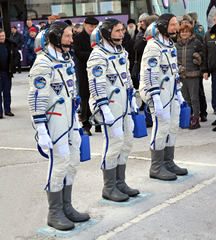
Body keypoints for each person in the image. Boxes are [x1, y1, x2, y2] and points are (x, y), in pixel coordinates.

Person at [28, 21, 90, 230]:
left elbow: (72, 93)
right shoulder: (43, 63)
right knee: (60, 162)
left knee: (73, 161)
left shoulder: (65, 60)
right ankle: (54, 212)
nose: (71, 40)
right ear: (54, 37)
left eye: (71, 36)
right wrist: (41, 129)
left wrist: (78, 121)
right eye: (67, 36)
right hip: (54, 120)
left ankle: (66, 206)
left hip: (70, 118)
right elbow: (36, 98)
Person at [87, 18, 140, 202]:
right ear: (107, 33)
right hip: (108, 106)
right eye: (117, 31)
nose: (121, 34)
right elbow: (96, 84)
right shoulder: (98, 56)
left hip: (123, 104)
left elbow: (126, 78)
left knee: (127, 141)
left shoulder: (121, 52)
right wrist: (104, 108)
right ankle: (109, 187)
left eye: (122, 30)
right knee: (114, 142)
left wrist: (132, 98)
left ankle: (120, 182)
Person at [139, 13, 188, 181]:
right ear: (163, 26)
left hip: (171, 92)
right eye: (173, 24)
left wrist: (179, 92)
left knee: (173, 126)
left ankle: (168, 162)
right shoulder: (153, 46)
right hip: (158, 93)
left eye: (177, 24)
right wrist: (155, 98)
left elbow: (173, 71)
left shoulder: (169, 45)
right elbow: (149, 73)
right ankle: (156, 166)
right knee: (161, 127)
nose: (176, 28)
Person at [73, 16, 99, 136]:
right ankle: (86, 125)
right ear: (85, 25)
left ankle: (99, 123)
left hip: (97, 72)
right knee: (85, 98)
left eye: (95, 27)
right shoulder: (78, 37)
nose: (93, 29)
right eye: (91, 27)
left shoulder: (99, 36)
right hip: (83, 71)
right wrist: (95, 55)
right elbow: (78, 53)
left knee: (99, 95)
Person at [175, 23, 203, 130]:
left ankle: (196, 118)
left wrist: (198, 59)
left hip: (193, 74)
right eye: (182, 31)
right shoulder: (176, 45)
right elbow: (173, 59)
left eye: (186, 31)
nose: (184, 33)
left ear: (191, 32)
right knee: (185, 99)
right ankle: (187, 118)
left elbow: (202, 55)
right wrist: (178, 67)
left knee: (194, 98)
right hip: (182, 76)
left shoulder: (196, 43)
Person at [0, 29, 19, 119]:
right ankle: (0, 112)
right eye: (0, 36)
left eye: (3, 36)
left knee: (7, 93)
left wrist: (13, 65)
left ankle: (7, 110)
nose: (2, 38)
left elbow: (16, 56)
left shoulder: (10, 45)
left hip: (7, 73)